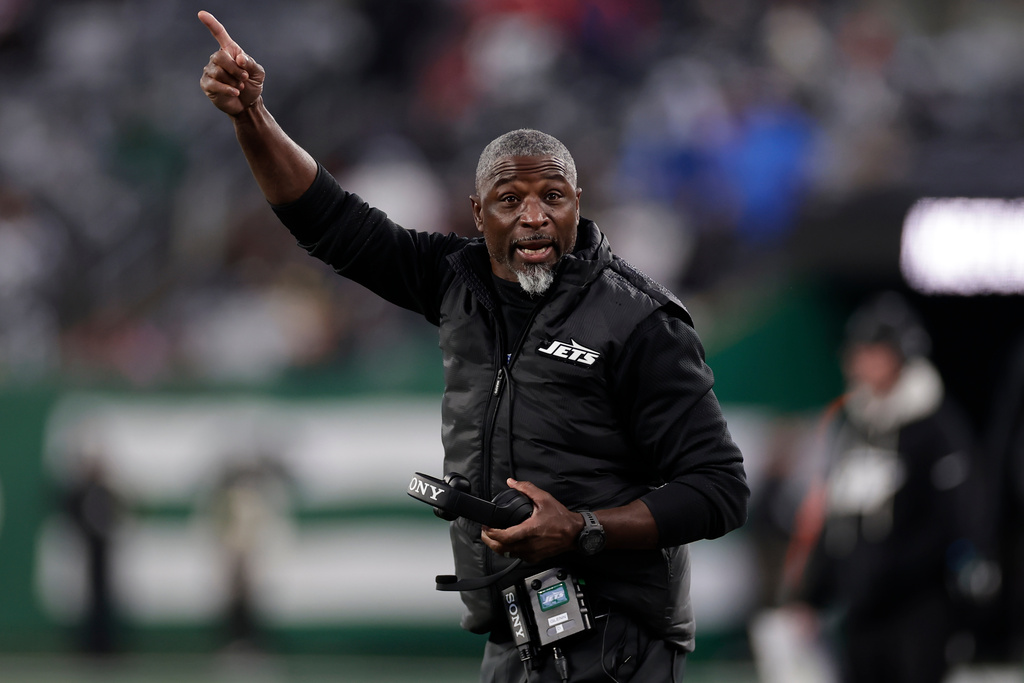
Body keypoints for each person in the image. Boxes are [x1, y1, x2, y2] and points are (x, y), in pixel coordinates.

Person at [197, 11, 749, 681]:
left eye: (552, 196)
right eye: (510, 199)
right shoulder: (455, 281)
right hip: (515, 630)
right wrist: (252, 117)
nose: (534, 216)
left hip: (614, 637)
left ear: (578, 202)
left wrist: (584, 528)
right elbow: (325, 219)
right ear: (477, 212)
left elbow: (719, 488)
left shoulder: (638, 320)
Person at [791, 292, 978, 683]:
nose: (858, 361)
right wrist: (813, 594)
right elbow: (837, 514)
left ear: (900, 354)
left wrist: (890, 571)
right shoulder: (855, 425)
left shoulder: (936, 426)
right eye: (856, 351)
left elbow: (955, 519)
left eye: (871, 350)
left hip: (918, 608)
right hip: (862, 611)